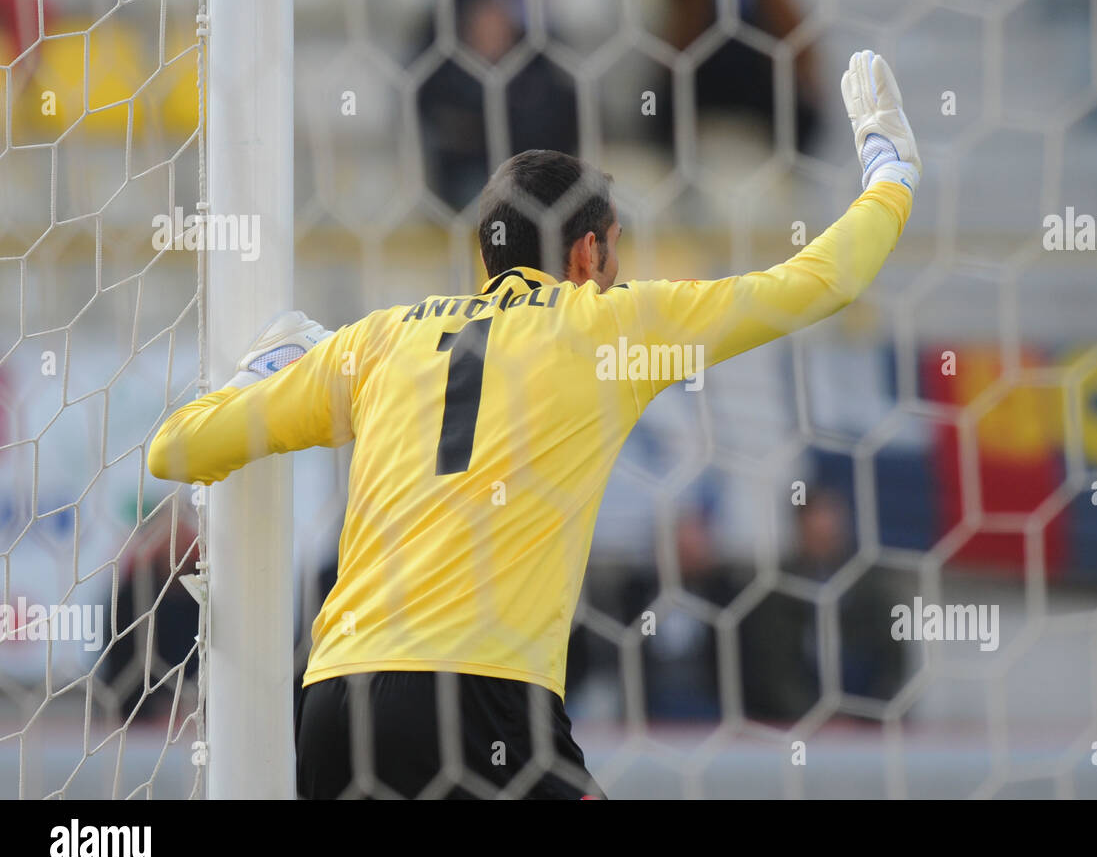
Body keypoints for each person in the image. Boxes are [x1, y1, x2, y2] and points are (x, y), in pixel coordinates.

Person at [146, 49, 920, 799]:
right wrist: (891, 172)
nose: (618, 269)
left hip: (334, 705)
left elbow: (173, 450)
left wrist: (265, 375)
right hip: (481, 700)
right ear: (586, 253)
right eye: (616, 250)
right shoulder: (605, 326)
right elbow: (822, 281)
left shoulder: (379, 339)